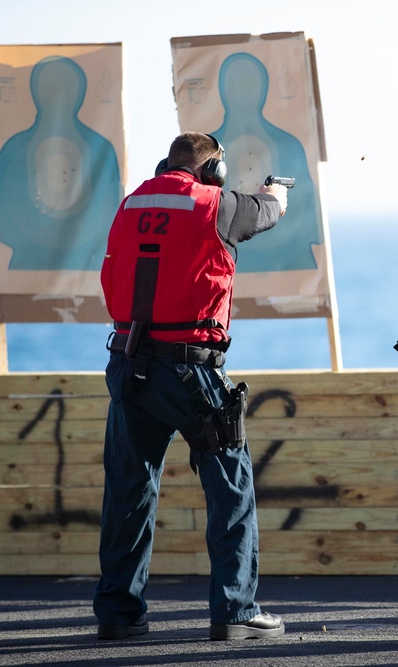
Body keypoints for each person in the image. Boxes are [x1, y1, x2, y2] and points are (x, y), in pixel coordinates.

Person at [93, 131, 289, 641]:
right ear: (212, 171)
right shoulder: (215, 204)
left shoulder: (132, 203)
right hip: (191, 370)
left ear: (167, 165)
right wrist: (274, 193)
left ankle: (118, 612)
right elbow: (267, 211)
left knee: (129, 491)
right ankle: (235, 611)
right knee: (230, 490)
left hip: (129, 363)